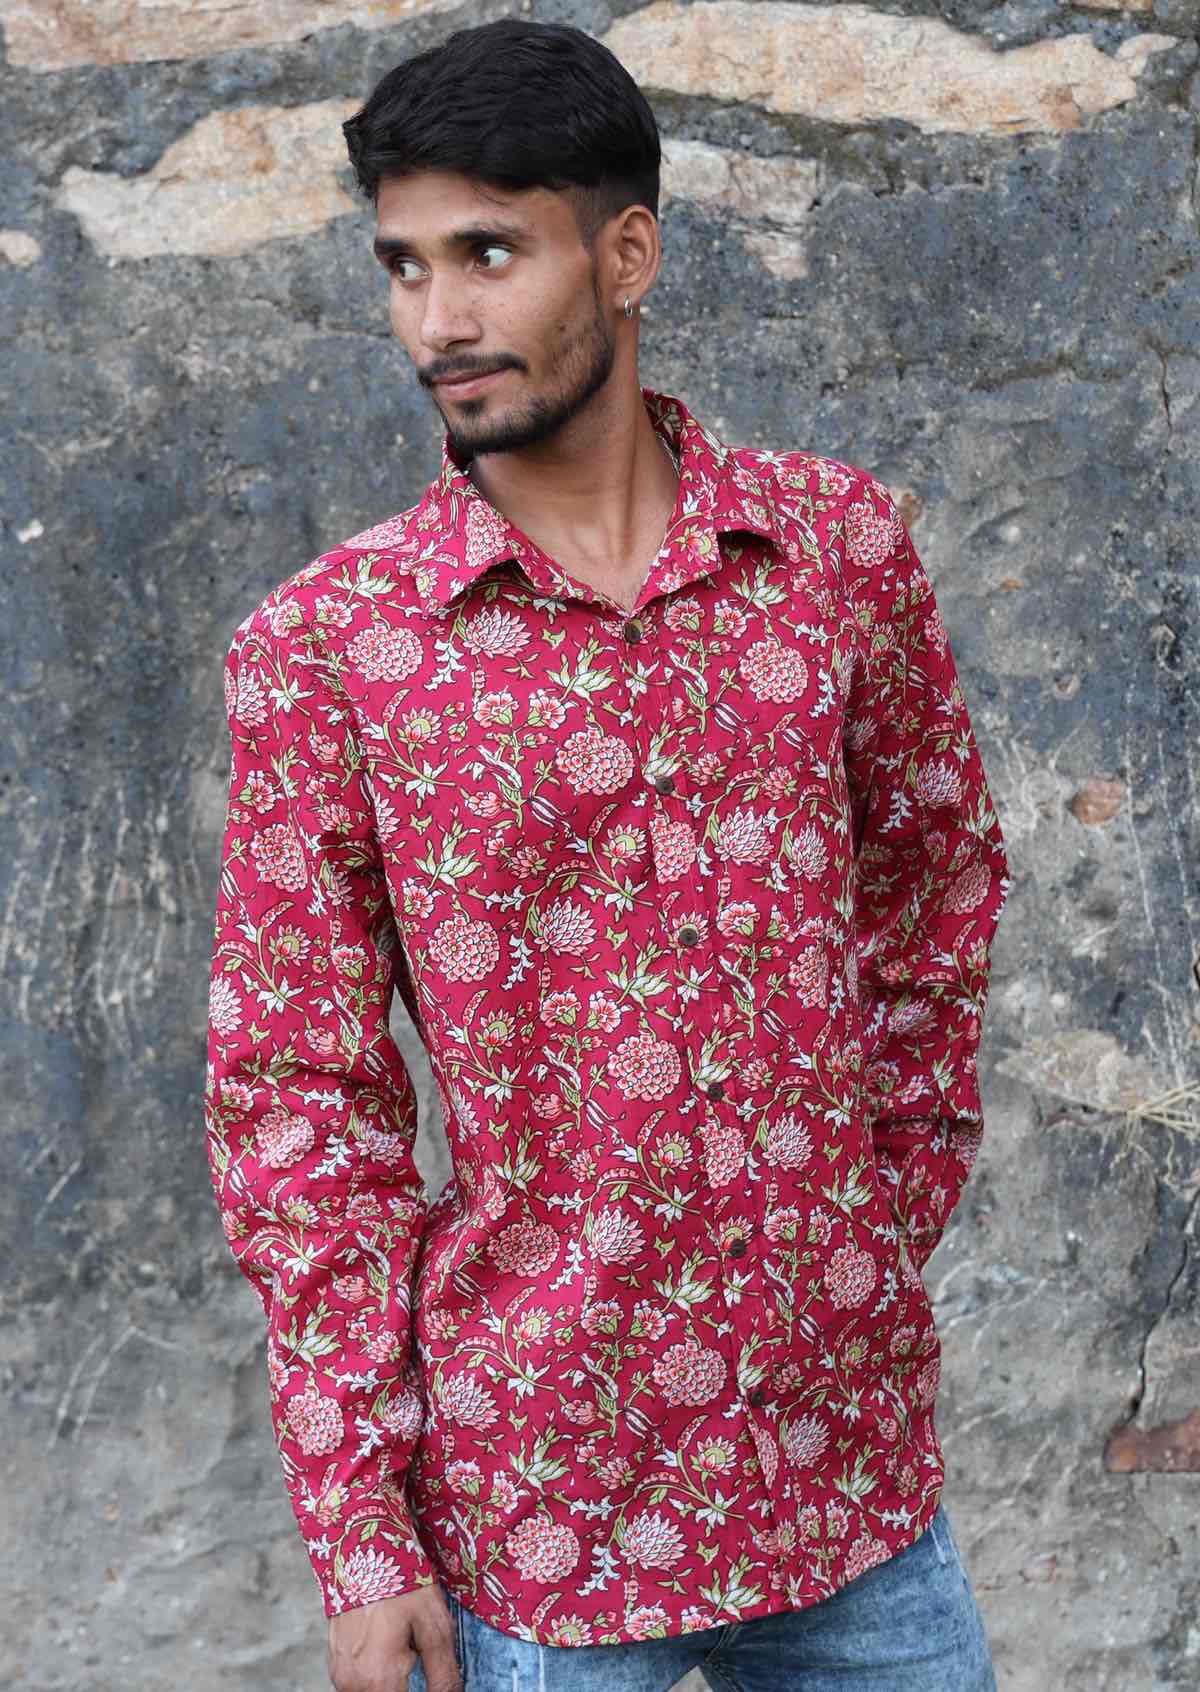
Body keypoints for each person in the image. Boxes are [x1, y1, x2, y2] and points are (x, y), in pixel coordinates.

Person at [203, 18, 1011, 1692]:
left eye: (488, 254)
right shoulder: (334, 649)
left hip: (845, 1483)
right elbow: (299, 1095)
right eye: (406, 267)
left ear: (626, 252)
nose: (440, 321)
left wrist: (870, 1215)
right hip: (538, 1523)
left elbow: (935, 886)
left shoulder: (836, 551)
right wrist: (362, 1537)